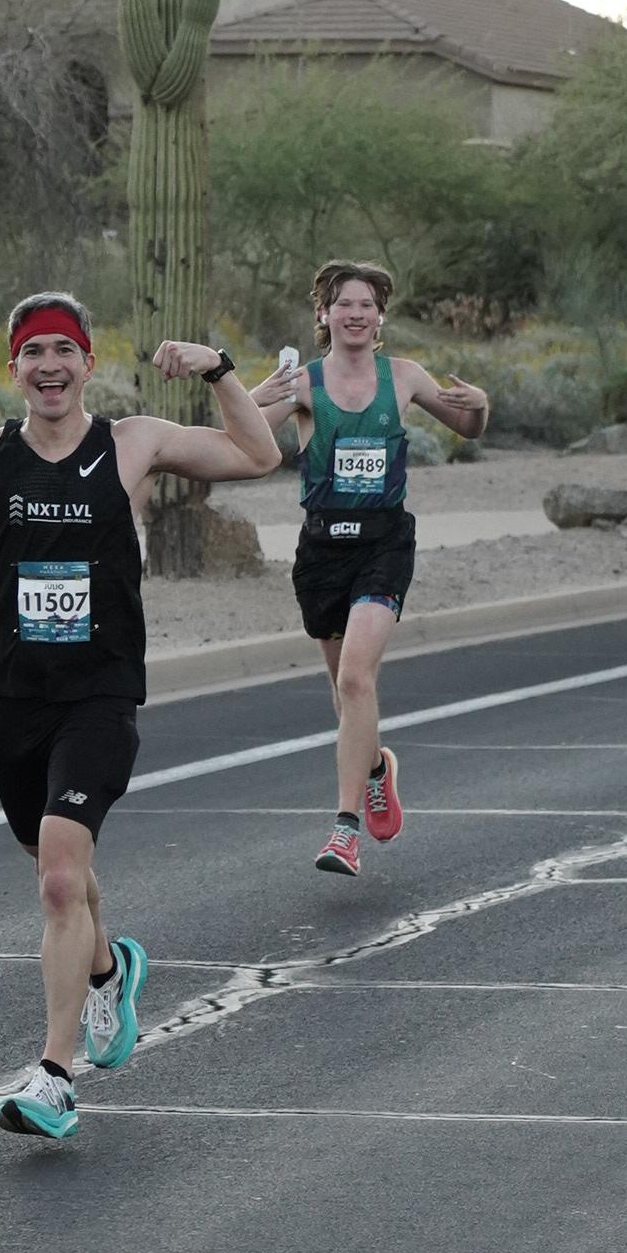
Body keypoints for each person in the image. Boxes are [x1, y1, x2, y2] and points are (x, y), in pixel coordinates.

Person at [0, 291, 279, 1139]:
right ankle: (109, 970)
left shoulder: (133, 443)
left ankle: (54, 1074)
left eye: (64, 351)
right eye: (34, 352)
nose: (50, 366)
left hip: (99, 694)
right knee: (55, 868)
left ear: (87, 363)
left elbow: (257, 455)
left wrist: (220, 372)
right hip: (14, 698)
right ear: (15, 369)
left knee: (59, 880)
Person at [254, 261, 489, 876]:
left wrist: (480, 407)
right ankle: (378, 767)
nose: (355, 313)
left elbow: (467, 427)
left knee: (358, 679)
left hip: (384, 544)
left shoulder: (403, 376)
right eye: (343, 303)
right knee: (345, 692)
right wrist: (250, 396)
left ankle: (344, 829)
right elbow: (244, 440)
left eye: (366, 304)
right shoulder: (302, 382)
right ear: (324, 314)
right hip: (321, 550)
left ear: (380, 316)